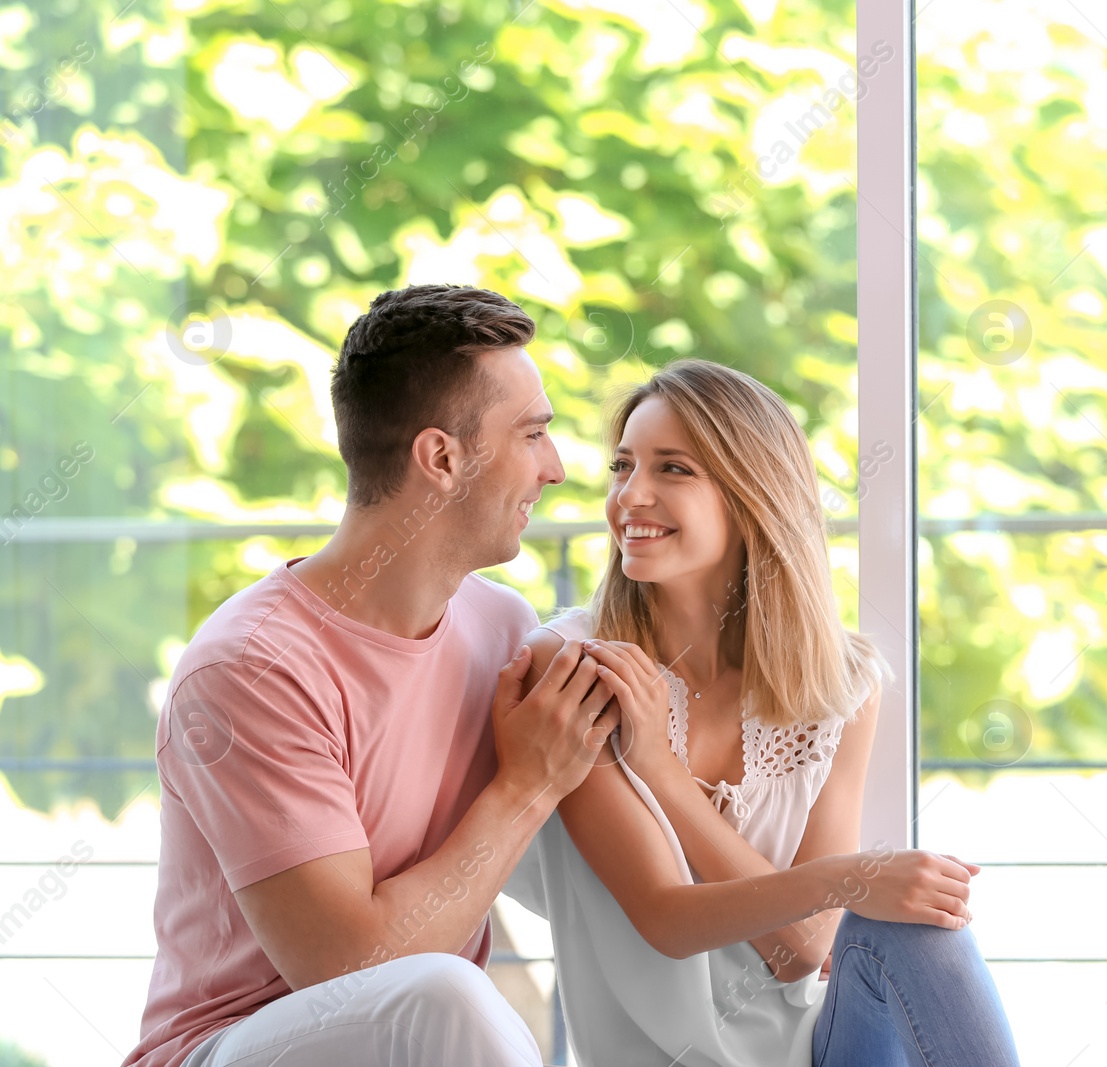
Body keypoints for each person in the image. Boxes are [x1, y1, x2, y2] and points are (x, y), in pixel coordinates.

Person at [124, 284, 617, 1067]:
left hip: (419, 1046)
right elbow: (349, 969)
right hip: (222, 1048)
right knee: (444, 992)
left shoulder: (501, 628)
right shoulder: (252, 670)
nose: (555, 468)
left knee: (453, 993)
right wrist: (526, 785)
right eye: (533, 434)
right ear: (441, 458)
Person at [502, 360, 1022, 1066]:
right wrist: (853, 877)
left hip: (818, 1047)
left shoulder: (844, 681)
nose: (631, 496)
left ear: (753, 496)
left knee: (923, 928)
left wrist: (659, 768)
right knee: (895, 904)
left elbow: (802, 950)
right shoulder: (574, 666)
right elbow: (665, 918)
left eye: (673, 469)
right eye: (623, 466)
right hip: (660, 1055)